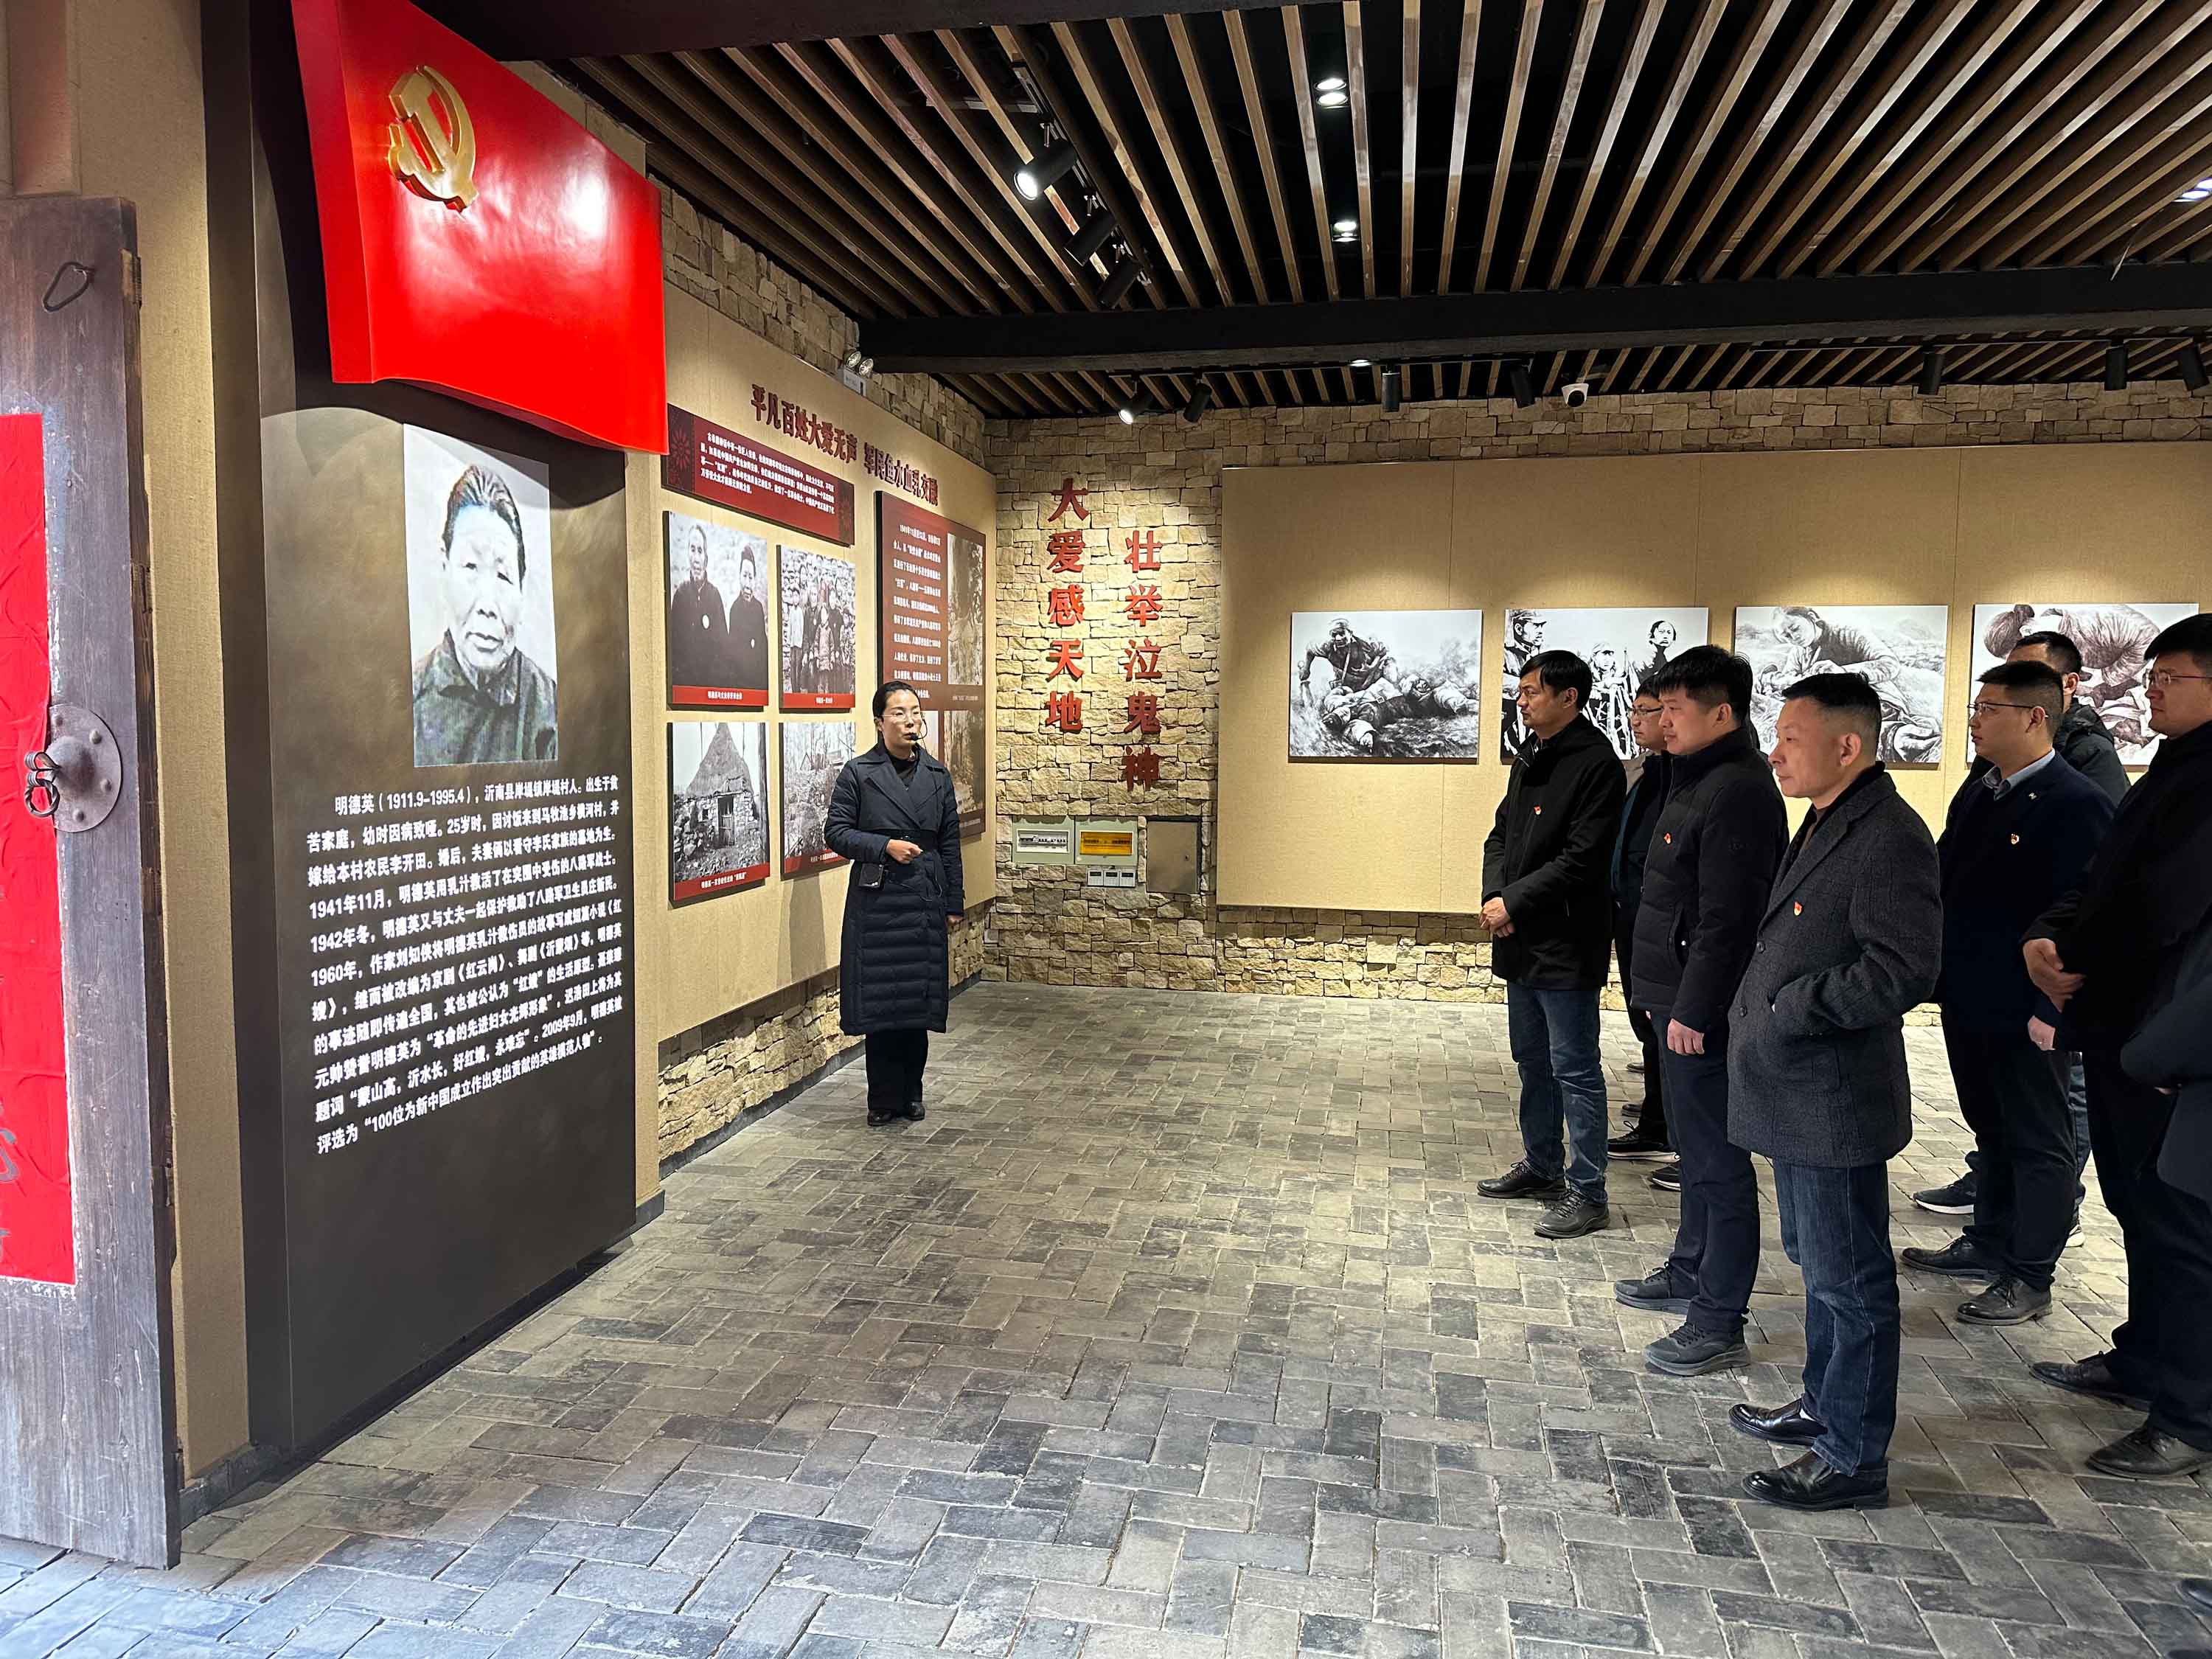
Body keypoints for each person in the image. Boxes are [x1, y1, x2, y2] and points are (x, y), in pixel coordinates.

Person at [1729, 673, 1940, 1512]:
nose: (1775, 752)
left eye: (1790, 737)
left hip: (1834, 1098)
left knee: (1850, 1281)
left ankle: (1852, 1457)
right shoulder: (1826, 817)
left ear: (1847, 746)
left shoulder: (1888, 835)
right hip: (1797, 1091)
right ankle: (1824, 1404)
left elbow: (1903, 969)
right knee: (1820, 1268)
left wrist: (1793, 1007)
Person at [2025, 613, 2212, 1479]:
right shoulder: (2174, 767)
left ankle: (2190, 1416)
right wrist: (2051, 938)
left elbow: (2168, 919)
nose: (2151, 690)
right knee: (2137, 1204)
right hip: (2122, 1026)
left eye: (2170, 678)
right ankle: (2144, 1356)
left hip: (2166, 1046)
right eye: (2152, 675)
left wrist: (2079, 966)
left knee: (2181, 1225)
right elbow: (2106, 881)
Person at [1901, 661, 2112, 1325]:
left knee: (2039, 1139)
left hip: (2027, 1006)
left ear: (2035, 717)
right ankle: (1988, 1240)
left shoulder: (2077, 802)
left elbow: (2086, 915)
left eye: (1989, 709)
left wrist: (2054, 1008)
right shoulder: (1983, 789)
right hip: (1970, 994)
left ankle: (2030, 1273)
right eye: (1976, 707)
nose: (1975, 720)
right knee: (1990, 1126)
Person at [1613, 647, 1785, 1377]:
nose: (1663, 720)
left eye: (1676, 709)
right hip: (1671, 997)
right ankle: (1690, 1267)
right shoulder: (1689, 777)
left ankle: (1718, 1316)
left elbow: (1727, 918)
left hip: (1698, 1009)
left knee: (1717, 1163)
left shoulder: (1737, 789)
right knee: (1694, 1153)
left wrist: (1695, 1007)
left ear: (1722, 713)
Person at [1475, 650, 1627, 1240]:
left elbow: (1582, 860)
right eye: (1520, 691)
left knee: (1575, 1069)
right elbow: (1501, 835)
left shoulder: (1597, 765)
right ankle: (1542, 1166)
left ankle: (1588, 1191)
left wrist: (1514, 902)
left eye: (1532, 691)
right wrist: (1497, 896)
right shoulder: (1530, 754)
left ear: (1569, 697)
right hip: (1520, 936)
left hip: (1566, 940)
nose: (1521, 701)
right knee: (1531, 1062)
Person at [826, 681, 967, 1126]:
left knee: (915, 1003)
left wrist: (954, 902)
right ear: (879, 722)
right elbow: (836, 833)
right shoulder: (858, 773)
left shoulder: (937, 776)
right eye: (899, 713)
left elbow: (950, 844)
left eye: (915, 712)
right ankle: (882, 1100)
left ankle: (911, 1094)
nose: (910, 721)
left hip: (923, 898)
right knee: (882, 1003)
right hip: (879, 902)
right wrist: (884, 846)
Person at [412, 465, 558, 767]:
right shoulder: (411, 697)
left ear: (522, 587)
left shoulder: (549, 707)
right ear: (444, 568)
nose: (487, 605)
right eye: (471, 567)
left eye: (503, 576)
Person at [1607, 685, 1672, 1164]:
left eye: (1644, 711)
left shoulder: (1683, 779)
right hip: (1631, 917)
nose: (1636, 719)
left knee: (1662, 1028)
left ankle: (1666, 1129)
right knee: (1645, 1023)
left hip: (1659, 925)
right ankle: (1657, 1115)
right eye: (1633, 710)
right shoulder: (1649, 770)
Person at [667, 521, 728, 691]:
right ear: (688, 554)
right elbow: (674, 651)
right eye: (692, 550)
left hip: (710, 687)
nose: (696, 558)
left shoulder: (715, 596)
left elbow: (723, 650)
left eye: (700, 551)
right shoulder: (680, 595)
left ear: (706, 559)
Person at [1300, 617, 1393, 698]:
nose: (1338, 638)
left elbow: (1383, 650)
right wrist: (1306, 669)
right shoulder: (1327, 647)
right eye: (1334, 635)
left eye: (1342, 634)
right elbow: (1310, 649)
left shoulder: (1364, 643)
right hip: (1349, 683)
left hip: (1371, 677)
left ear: (1350, 634)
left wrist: (1372, 667)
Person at [1501, 611, 1548, 756]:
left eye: (1541, 626)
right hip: (1508, 715)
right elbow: (1496, 680)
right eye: (1535, 626)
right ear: (1519, 629)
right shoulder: (1504, 653)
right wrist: (1527, 686)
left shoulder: (1541, 654)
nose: (1540, 631)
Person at [726, 546, 770, 693]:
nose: (747, 583)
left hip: (758, 684)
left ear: (755, 580)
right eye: (744, 576)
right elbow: (733, 654)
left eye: (751, 578)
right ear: (739, 577)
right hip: (741, 685)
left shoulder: (758, 608)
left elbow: (763, 647)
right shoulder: (734, 610)